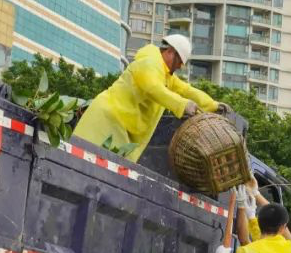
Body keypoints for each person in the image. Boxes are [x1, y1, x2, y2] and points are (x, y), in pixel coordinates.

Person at [72, 35, 225, 162]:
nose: (179, 67)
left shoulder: (165, 75)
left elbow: (185, 89)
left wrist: (212, 105)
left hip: (120, 127)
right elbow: (153, 89)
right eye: (179, 62)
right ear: (171, 52)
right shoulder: (149, 63)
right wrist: (182, 105)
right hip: (107, 120)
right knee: (82, 163)